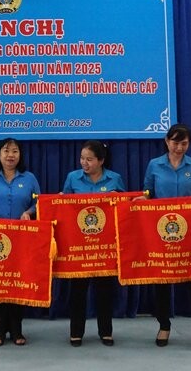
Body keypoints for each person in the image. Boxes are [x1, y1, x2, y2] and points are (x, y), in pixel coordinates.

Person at [138, 124, 191, 351]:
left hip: (189, 233)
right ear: (166, 141)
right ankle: (164, 326)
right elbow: (148, 192)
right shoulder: (155, 164)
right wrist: (143, 199)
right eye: (175, 142)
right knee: (161, 283)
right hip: (162, 233)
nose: (179, 147)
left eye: (184, 143)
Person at [0, 138, 40, 347]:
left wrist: (29, 212)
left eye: (14, 151)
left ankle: (17, 330)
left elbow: (38, 202)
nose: (10, 155)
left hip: (22, 238)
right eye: (6, 151)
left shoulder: (29, 178)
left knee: (17, 282)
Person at [62, 140, 125, 347]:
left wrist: (120, 199)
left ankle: (106, 331)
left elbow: (124, 211)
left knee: (104, 291)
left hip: (104, 247)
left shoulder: (114, 179)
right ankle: (76, 332)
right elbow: (64, 210)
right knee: (77, 292)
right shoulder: (73, 178)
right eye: (82, 158)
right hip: (79, 247)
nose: (84, 163)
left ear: (101, 161)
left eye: (89, 159)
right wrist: (61, 199)